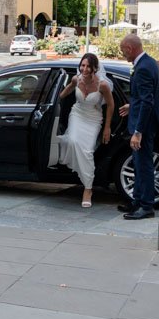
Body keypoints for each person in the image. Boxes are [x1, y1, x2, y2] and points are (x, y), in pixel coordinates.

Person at [117, 34, 159, 220]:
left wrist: (138, 132)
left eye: (123, 51)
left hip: (144, 126)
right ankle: (136, 201)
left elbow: (147, 101)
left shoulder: (143, 67)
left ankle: (146, 206)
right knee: (138, 164)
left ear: (129, 48)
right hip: (144, 119)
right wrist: (132, 105)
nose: (123, 55)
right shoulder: (150, 62)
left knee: (144, 165)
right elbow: (146, 96)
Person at [57, 53, 114, 208]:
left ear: (95, 68)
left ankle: (88, 189)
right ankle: (83, 178)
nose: (85, 69)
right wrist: (54, 99)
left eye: (89, 66)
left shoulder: (102, 85)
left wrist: (107, 127)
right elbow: (64, 93)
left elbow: (110, 105)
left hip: (93, 118)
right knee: (73, 141)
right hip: (77, 114)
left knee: (87, 151)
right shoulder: (76, 79)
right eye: (82, 65)